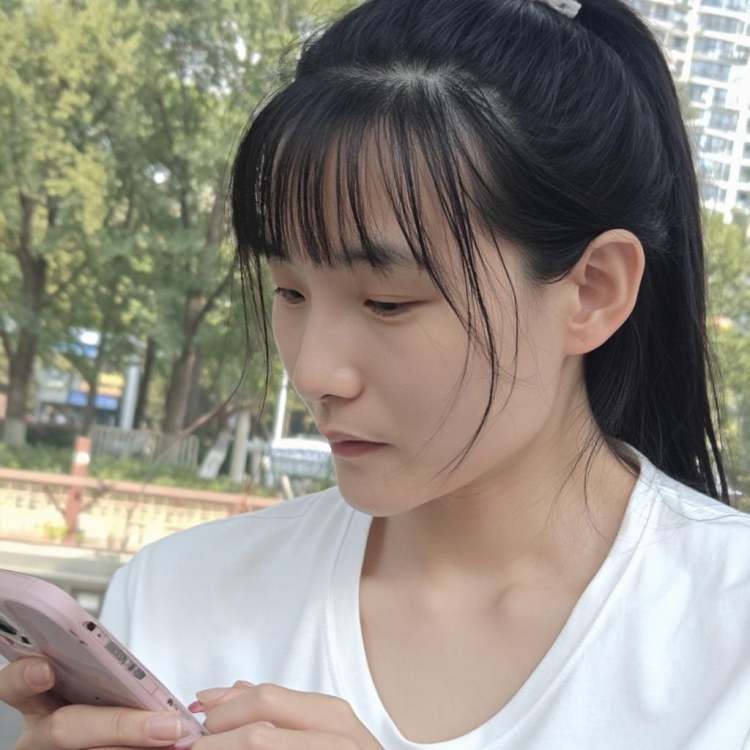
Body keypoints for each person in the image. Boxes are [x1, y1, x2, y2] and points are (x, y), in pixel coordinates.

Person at [2, 0, 750, 747]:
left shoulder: (728, 634)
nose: (314, 372)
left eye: (387, 302)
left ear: (592, 292)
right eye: (289, 292)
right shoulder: (180, 595)